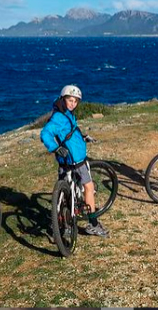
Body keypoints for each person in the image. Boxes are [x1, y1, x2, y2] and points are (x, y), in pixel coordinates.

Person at [40, 85, 108, 237]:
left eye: (75, 102)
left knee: (64, 194)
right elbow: (45, 133)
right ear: (63, 99)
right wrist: (55, 148)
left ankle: (60, 224)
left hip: (65, 161)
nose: (72, 104)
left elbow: (68, 134)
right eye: (70, 100)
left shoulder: (64, 113)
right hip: (76, 161)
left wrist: (83, 137)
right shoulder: (60, 117)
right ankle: (93, 224)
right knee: (89, 188)